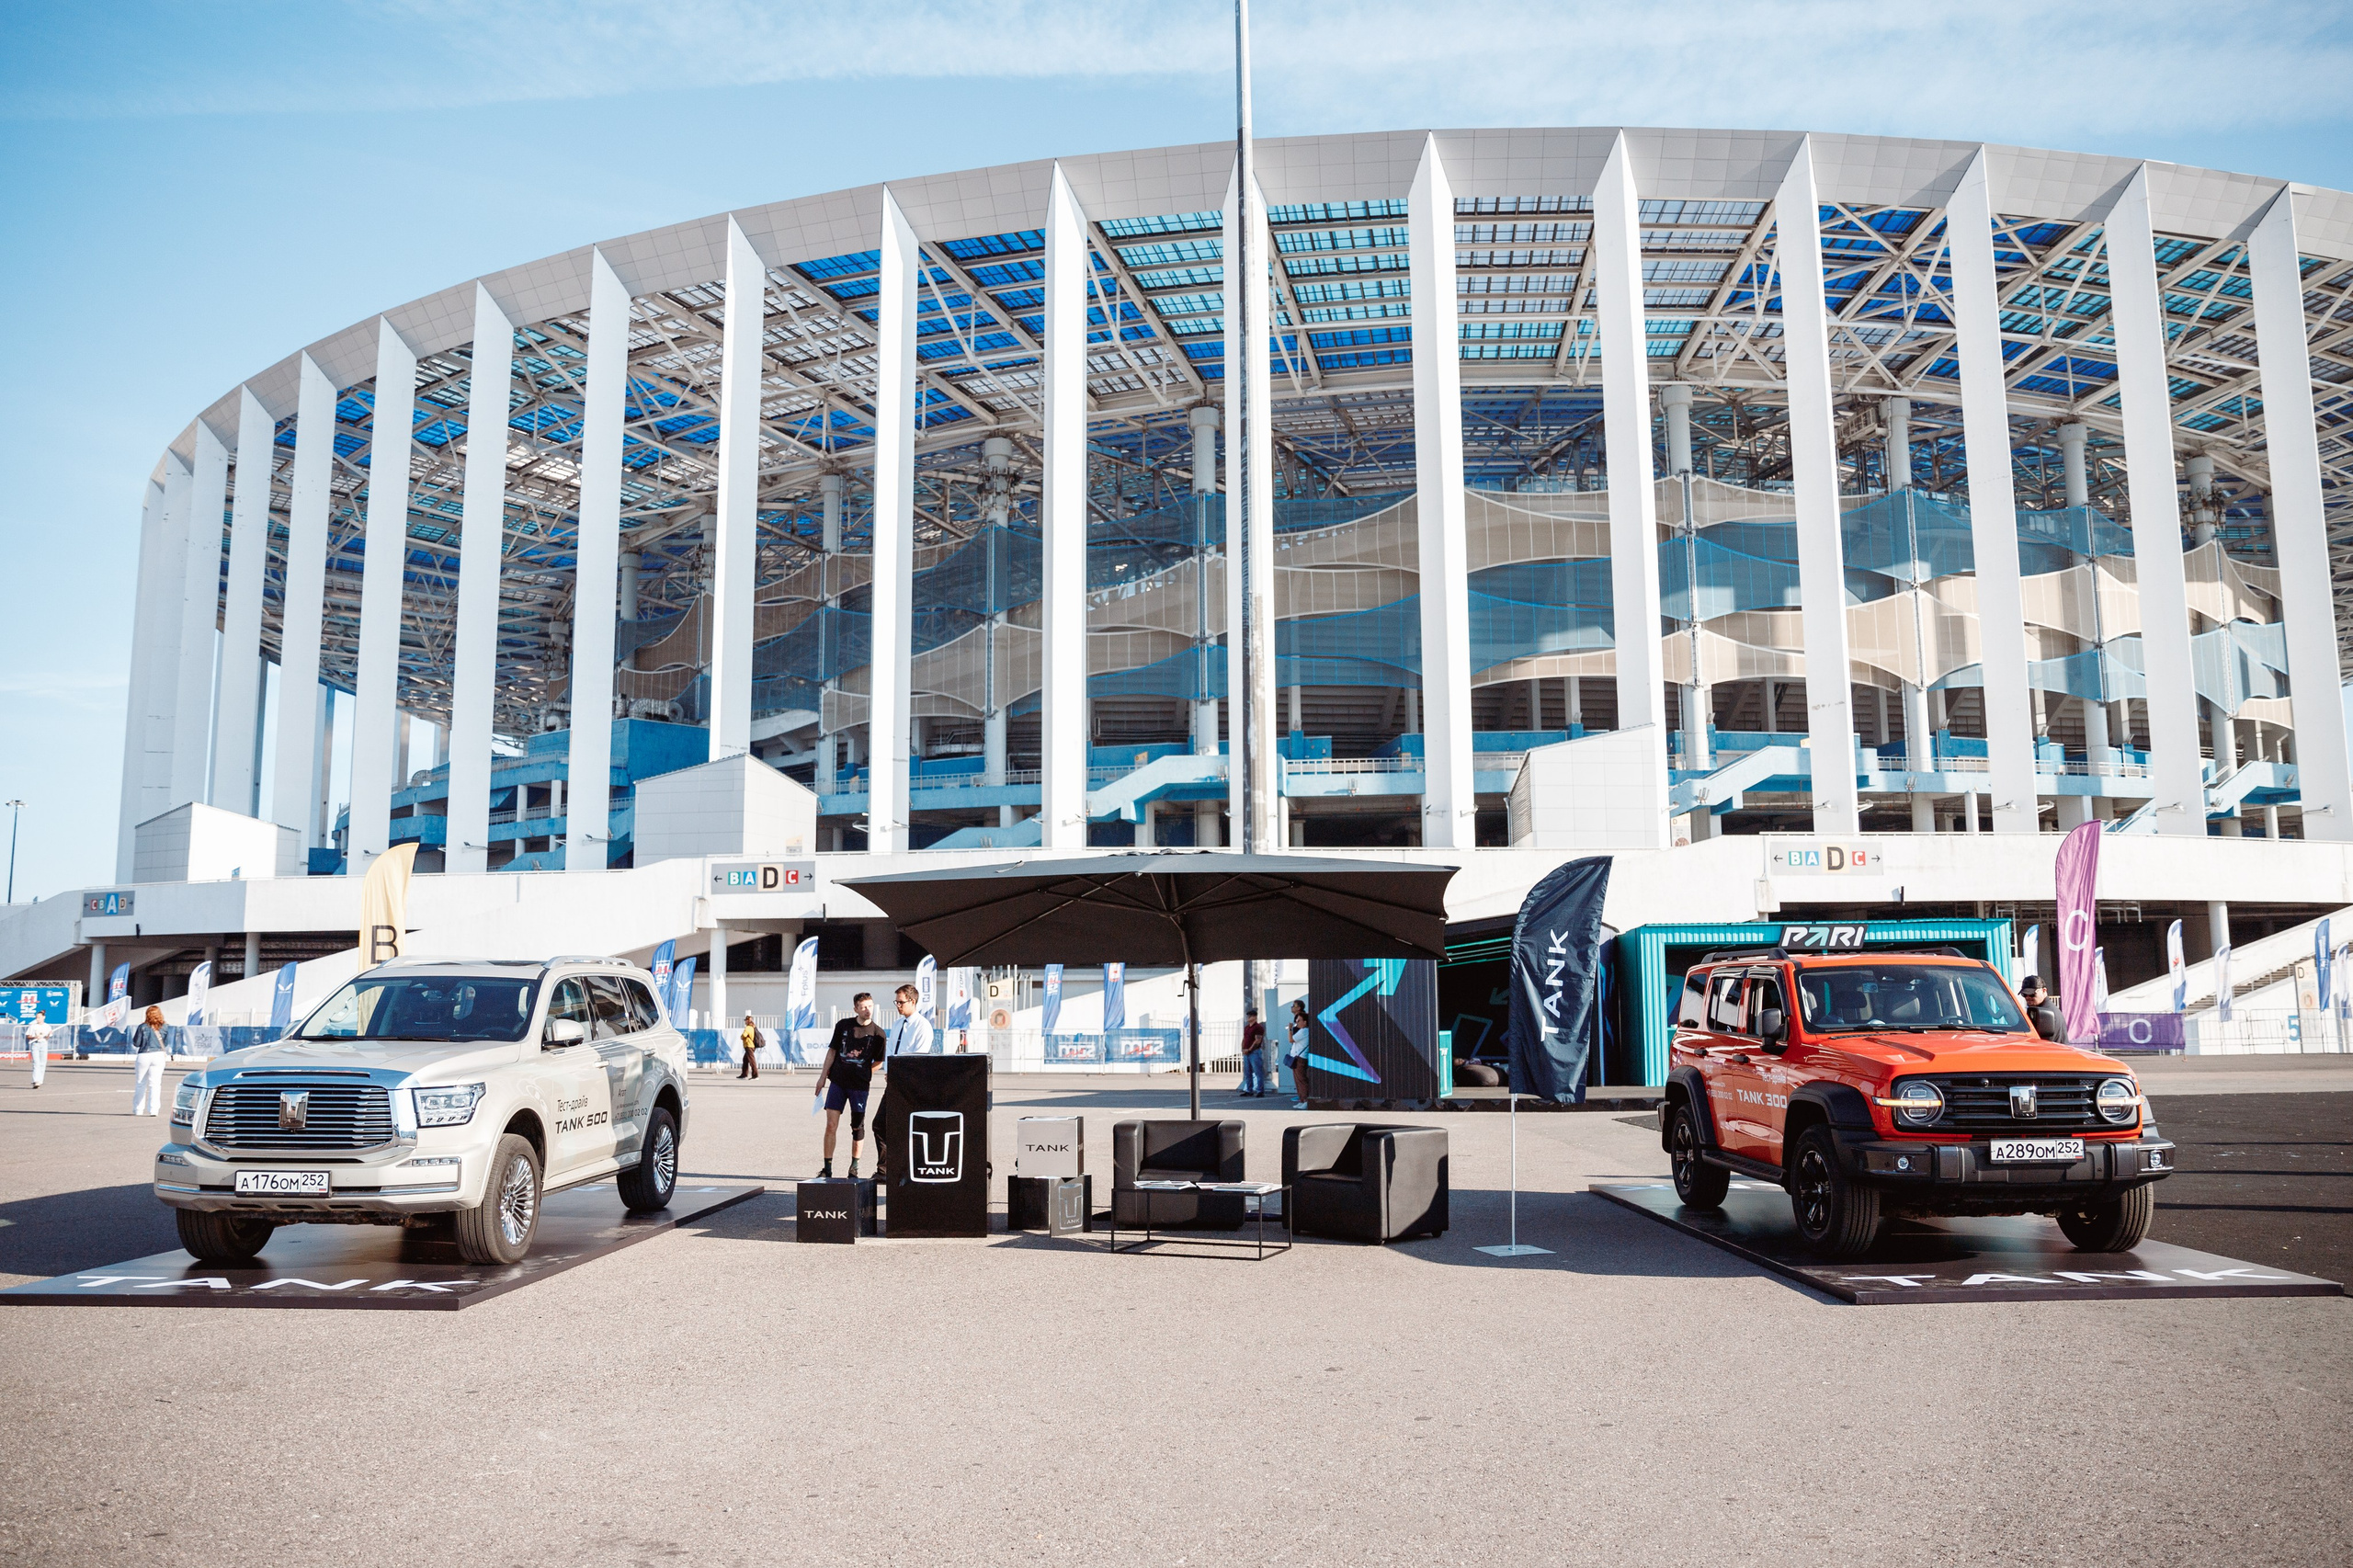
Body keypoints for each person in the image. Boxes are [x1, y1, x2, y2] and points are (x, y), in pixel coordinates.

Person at [813, 992, 886, 1178]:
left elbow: (879, 1061)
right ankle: (827, 1168)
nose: (867, 1010)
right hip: (838, 1083)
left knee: (857, 1127)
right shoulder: (843, 1025)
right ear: (855, 1009)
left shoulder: (878, 1033)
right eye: (863, 1007)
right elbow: (832, 1052)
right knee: (831, 1125)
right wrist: (822, 1077)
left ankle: (854, 1167)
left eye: (870, 1006)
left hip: (859, 1087)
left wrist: (866, 1074)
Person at [131, 1006, 168, 1115]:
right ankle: (154, 1110)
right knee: (155, 1084)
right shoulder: (165, 1027)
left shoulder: (142, 1027)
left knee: (140, 1083)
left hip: (144, 1054)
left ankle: (138, 1109)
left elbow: (136, 1043)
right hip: (158, 1055)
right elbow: (166, 1043)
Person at [2018, 975, 2066, 1043]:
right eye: (2024, 994)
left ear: (2044, 990)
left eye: (2032, 994)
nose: (2028, 997)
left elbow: (2040, 1043)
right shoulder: (2039, 1010)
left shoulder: (2046, 1013)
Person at [1285, 999, 1312, 1108]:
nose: (1297, 1022)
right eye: (1297, 1020)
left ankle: (1306, 1100)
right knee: (1298, 1080)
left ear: (1305, 1022)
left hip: (1300, 1058)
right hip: (1296, 1057)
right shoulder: (1302, 1030)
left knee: (1301, 1080)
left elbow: (1291, 1039)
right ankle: (1301, 1100)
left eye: (1299, 1020)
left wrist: (1290, 1029)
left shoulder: (1304, 1031)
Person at [1236, 1006, 1267, 1096]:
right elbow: (1244, 1038)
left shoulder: (1258, 1027)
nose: (1248, 1017)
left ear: (1255, 1017)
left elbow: (1257, 1040)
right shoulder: (1247, 1028)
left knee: (1258, 1072)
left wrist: (1249, 1049)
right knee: (1247, 1072)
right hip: (1246, 1052)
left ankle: (1260, 1090)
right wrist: (1243, 1048)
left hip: (1254, 1052)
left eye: (1250, 1016)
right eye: (1248, 1016)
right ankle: (1249, 1090)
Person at [24, 1014, 51, 1089]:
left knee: (42, 1063)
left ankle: (40, 1080)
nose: (38, 1019)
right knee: (36, 1063)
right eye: (36, 1018)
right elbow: (28, 1036)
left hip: (43, 1044)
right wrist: (35, 1037)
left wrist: (48, 1035)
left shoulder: (47, 1026)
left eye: (39, 1017)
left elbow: (47, 1037)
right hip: (35, 1044)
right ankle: (35, 1081)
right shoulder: (33, 1026)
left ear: (43, 1017)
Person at [737, 1012, 761, 1080]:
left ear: (748, 1021)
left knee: (752, 1061)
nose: (745, 1022)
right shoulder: (753, 1027)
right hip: (751, 1046)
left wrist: (741, 1037)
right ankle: (744, 1074)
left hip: (749, 1046)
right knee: (745, 1059)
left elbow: (744, 1035)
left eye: (746, 1020)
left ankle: (755, 1075)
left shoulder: (748, 1028)